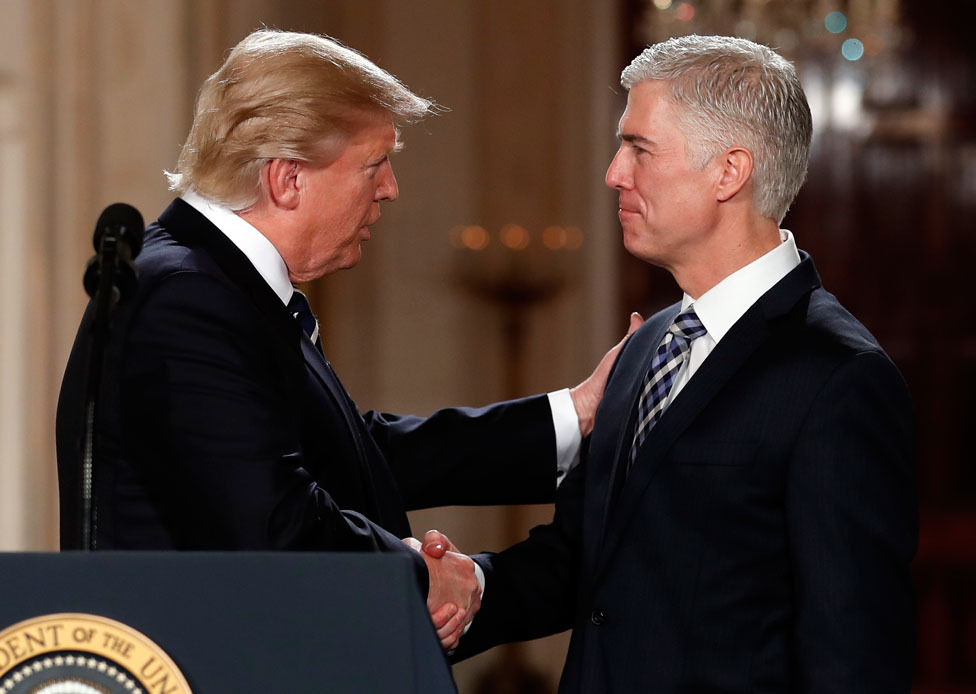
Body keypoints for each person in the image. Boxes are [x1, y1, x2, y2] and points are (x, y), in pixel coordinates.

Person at [55, 29, 635, 650]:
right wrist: (423, 574)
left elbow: (353, 456)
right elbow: (274, 527)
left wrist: (576, 413)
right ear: (287, 179)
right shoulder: (187, 299)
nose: (390, 188)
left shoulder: (212, 281)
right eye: (374, 163)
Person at [420, 34, 917, 691]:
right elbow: (589, 562)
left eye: (639, 149)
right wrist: (472, 585)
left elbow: (854, 654)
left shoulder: (839, 377)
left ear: (729, 172)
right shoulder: (644, 348)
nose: (613, 173)